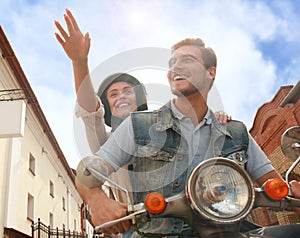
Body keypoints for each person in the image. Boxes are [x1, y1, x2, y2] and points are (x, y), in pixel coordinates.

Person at [75, 37, 300, 237]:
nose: (176, 67)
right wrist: (97, 200)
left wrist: (292, 193)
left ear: (210, 72)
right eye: (172, 63)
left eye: (187, 60)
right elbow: (87, 172)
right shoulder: (138, 127)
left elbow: (276, 185)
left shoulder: (237, 132)